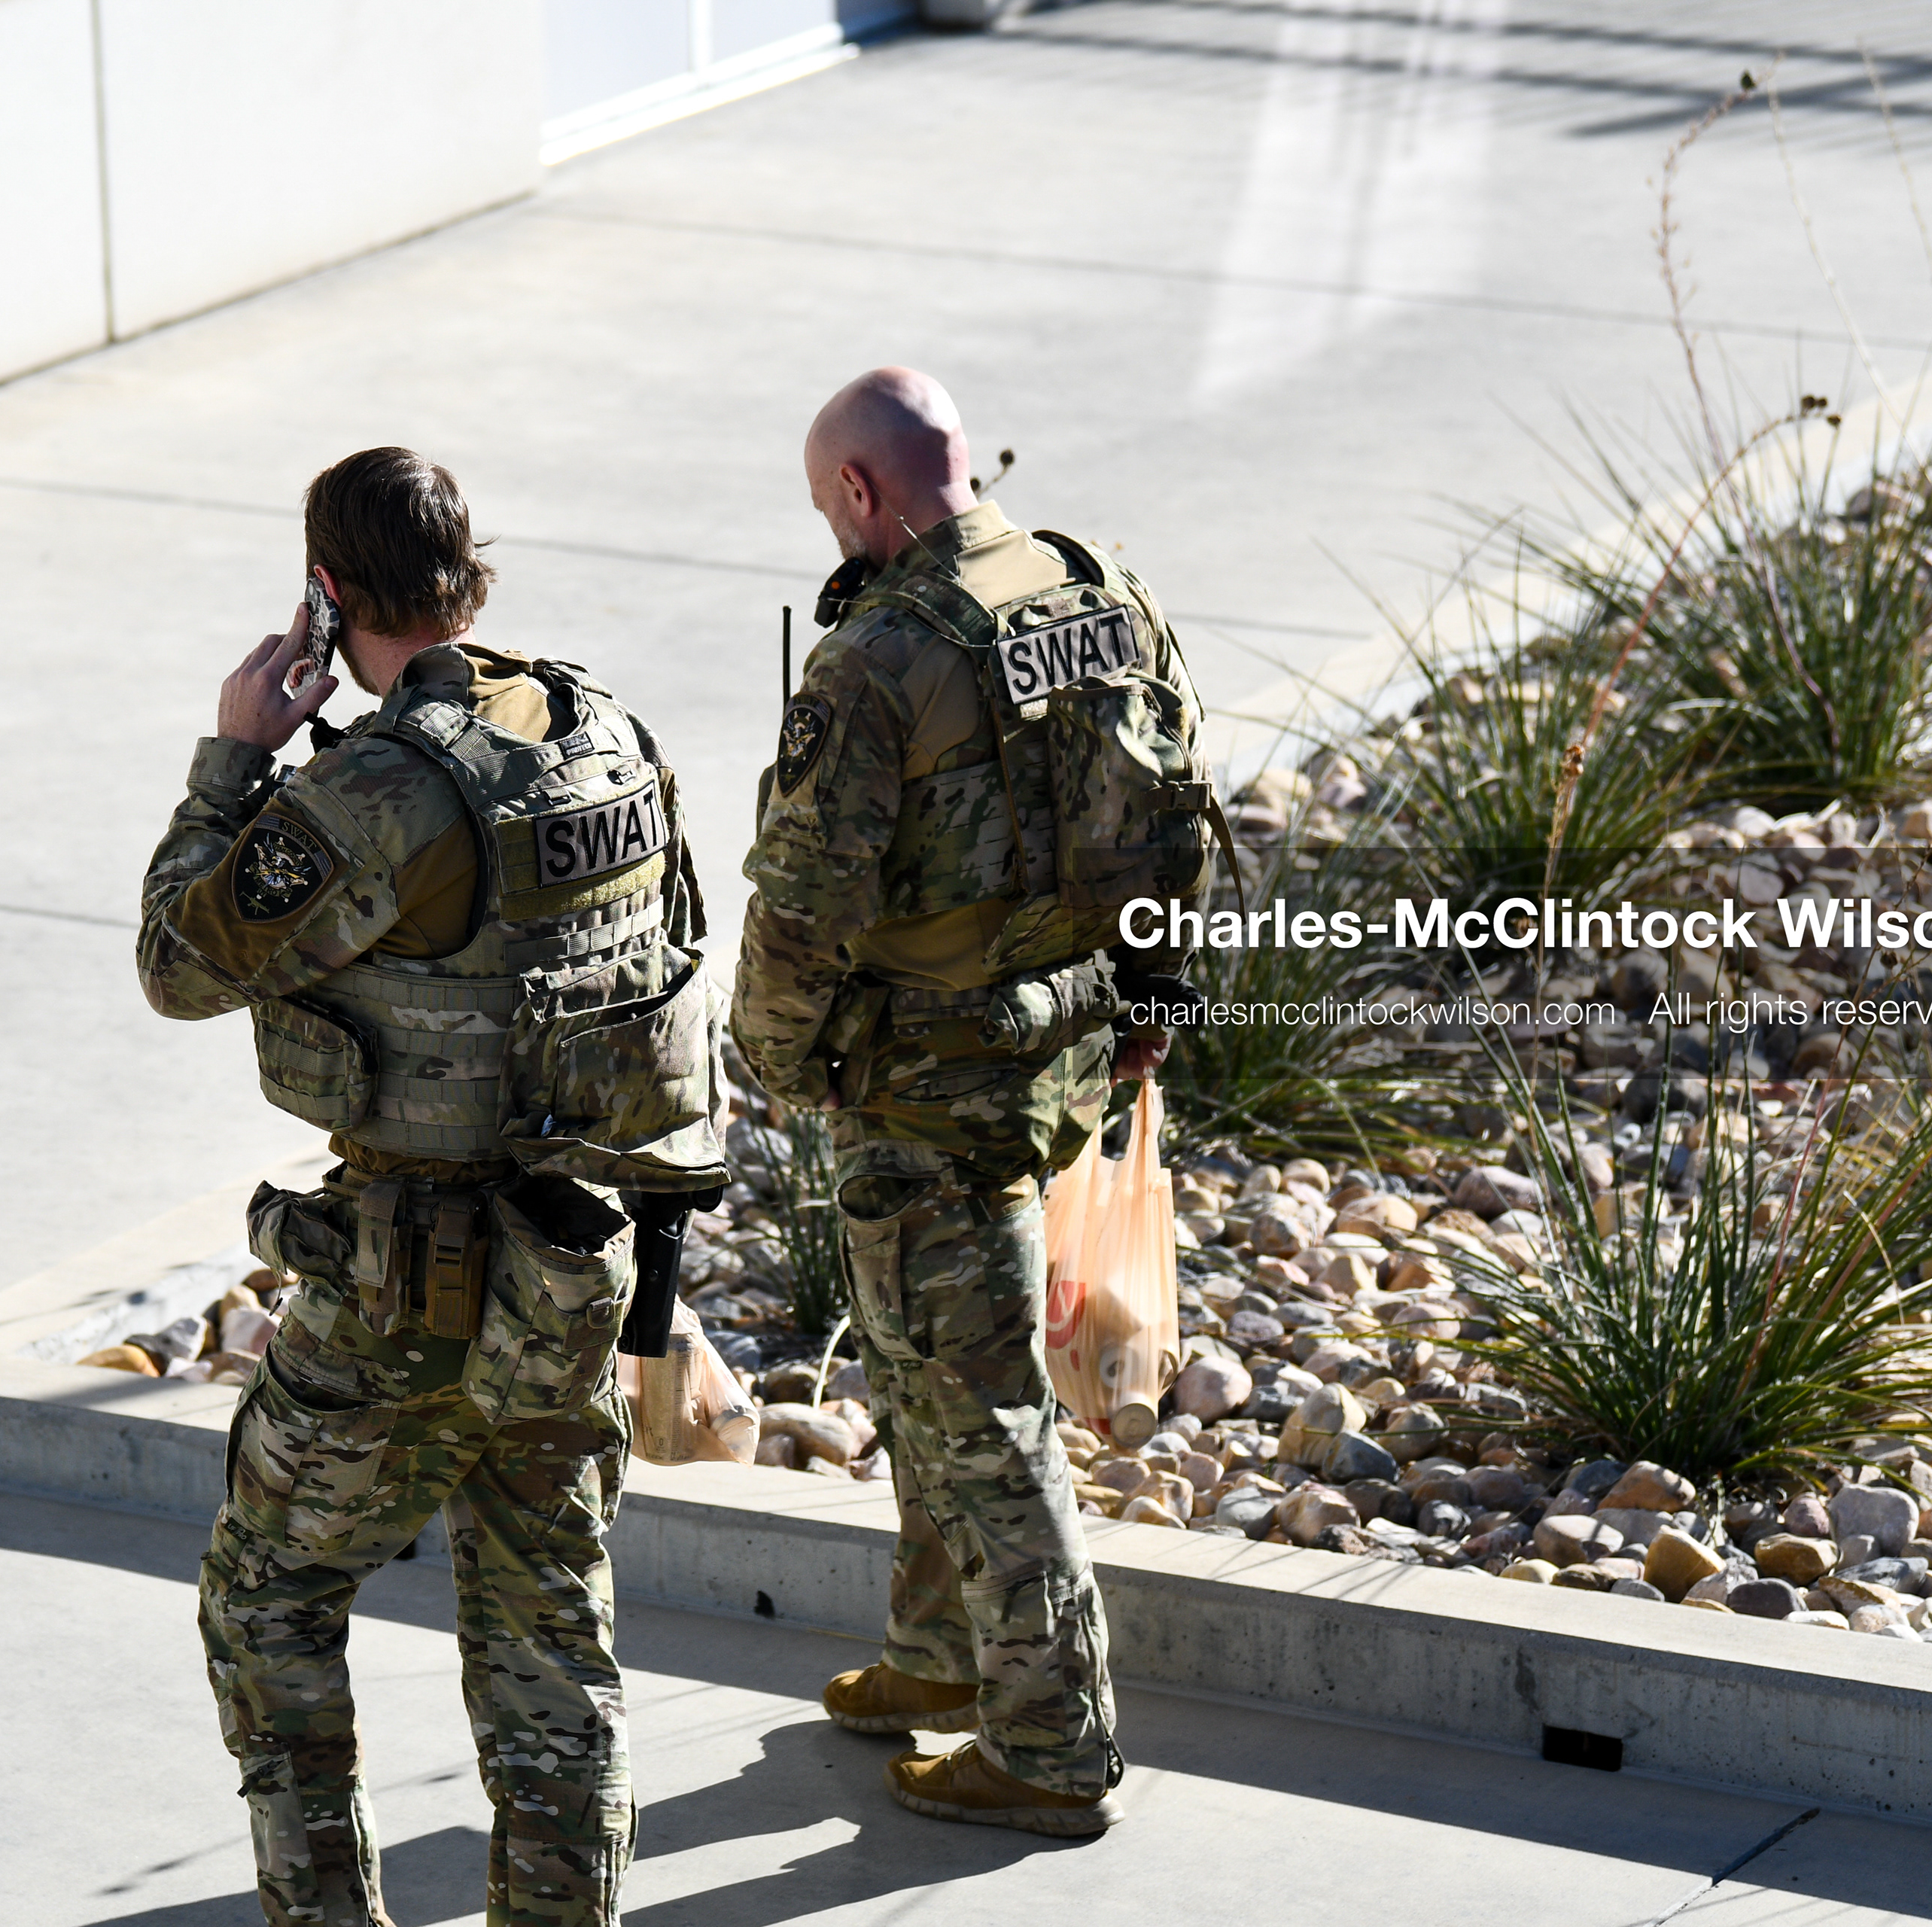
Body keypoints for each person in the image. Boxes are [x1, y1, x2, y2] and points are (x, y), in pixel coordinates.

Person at [139, 446, 714, 1926]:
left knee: (266, 1592)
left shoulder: (378, 788)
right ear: (473, 572)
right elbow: (671, 956)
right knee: (551, 1637)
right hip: (575, 1269)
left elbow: (180, 964)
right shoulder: (604, 729)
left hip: (405, 1294)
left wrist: (233, 754)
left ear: (326, 596)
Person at [730, 367, 1208, 1835]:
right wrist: (1149, 999)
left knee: (982, 1398)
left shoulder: (874, 659)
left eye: (830, 507)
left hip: (928, 1086)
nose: (834, 533)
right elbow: (1180, 807)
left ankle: (1052, 1740)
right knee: (925, 1351)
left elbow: (803, 910)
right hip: (1062, 1041)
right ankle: (946, 1651)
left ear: (865, 494)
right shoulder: (1094, 583)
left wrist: (772, 1055)